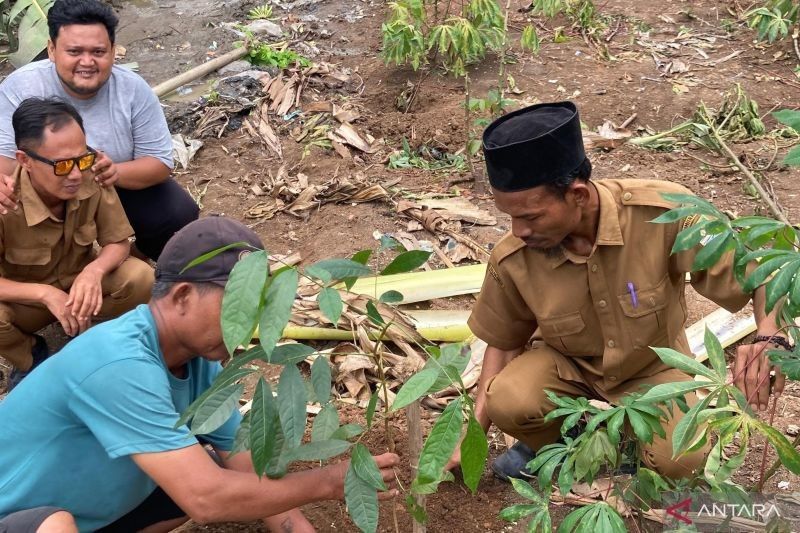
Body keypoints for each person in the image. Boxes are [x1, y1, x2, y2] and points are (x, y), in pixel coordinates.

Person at [447, 101, 785, 481]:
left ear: (576, 195)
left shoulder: (665, 213)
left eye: (530, 216)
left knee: (683, 460)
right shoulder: (514, 256)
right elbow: (504, 341)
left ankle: (625, 441)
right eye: (510, 216)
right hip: (564, 370)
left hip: (653, 369)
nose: (518, 230)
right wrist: (471, 438)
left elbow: (763, 274)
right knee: (509, 398)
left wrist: (770, 337)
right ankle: (564, 438)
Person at [0, 216, 400, 532]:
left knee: (202, 473)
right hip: (21, 519)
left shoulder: (202, 367)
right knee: (60, 524)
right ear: (183, 296)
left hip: (79, 514)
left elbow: (245, 469)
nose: (249, 323)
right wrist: (330, 482)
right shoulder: (116, 362)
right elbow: (206, 500)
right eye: (237, 306)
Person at [0, 0, 199, 261]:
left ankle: (131, 258)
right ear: (51, 49)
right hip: (43, 190)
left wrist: (115, 171)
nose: (87, 62)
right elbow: (5, 161)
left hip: (107, 186)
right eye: (74, 51)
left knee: (176, 211)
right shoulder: (21, 87)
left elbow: (160, 163)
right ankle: (28, 273)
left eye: (98, 52)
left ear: (113, 51)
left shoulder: (133, 89)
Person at [0, 97, 153, 390]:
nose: (74, 174)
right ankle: (30, 355)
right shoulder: (6, 201)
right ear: (25, 160)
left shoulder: (90, 174)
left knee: (141, 278)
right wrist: (44, 294)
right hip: (27, 301)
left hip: (80, 282)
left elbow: (117, 242)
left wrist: (93, 272)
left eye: (81, 159)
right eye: (60, 165)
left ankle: (94, 333)